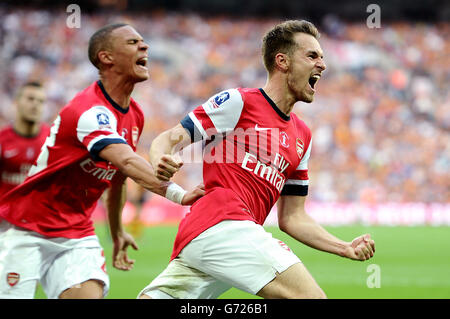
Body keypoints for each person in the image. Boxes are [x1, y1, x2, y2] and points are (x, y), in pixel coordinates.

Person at [138, 20, 376, 299]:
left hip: (216, 240)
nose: (322, 64)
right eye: (312, 56)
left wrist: (343, 247)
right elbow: (168, 138)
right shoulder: (239, 102)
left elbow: (293, 217)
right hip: (220, 224)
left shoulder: (303, 136)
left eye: (322, 57)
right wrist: (160, 159)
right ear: (282, 61)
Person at [0, 23, 203, 299]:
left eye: (143, 41)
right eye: (133, 42)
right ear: (106, 57)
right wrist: (179, 194)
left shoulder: (136, 115)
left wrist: (117, 232)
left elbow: (118, 178)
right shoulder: (89, 111)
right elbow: (129, 162)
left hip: (75, 231)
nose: (144, 46)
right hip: (26, 227)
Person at [0, 81, 50, 194]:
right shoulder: (2, 140)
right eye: (30, 99)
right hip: (5, 210)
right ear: (16, 102)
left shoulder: (52, 140)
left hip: (38, 211)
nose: (35, 104)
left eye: (41, 101)